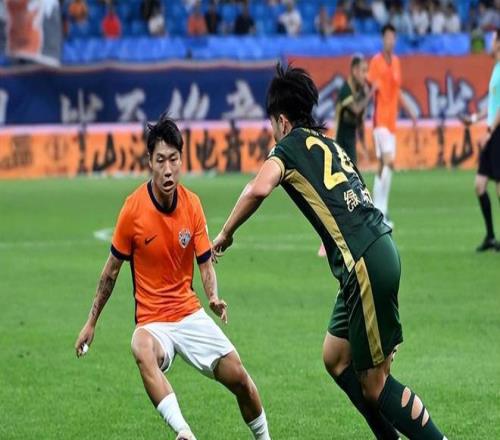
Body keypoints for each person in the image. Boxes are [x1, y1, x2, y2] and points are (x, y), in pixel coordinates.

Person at [213, 64, 447, 440]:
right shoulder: (332, 145)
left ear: (282, 121)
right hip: (377, 250)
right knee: (335, 357)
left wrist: (226, 233)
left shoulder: (287, 147)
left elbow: (258, 188)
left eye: (273, 123)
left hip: (362, 264)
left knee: (375, 383)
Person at [75, 115, 271, 440]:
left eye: (174, 159)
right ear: (149, 162)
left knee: (241, 380)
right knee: (140, 346)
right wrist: (91, 322)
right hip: (153, 322)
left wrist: (213, 297)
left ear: (182, 159)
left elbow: (205, 264)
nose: (168, 169)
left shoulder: (192, 205)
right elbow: (110, 273)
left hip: (189, 314)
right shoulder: (132, 210)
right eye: (160, 160)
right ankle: (184, 432)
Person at [368, 24, 417, 227]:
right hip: (380, 120)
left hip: (392, 123)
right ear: (383, 39)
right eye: (388, 37)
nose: (390, 41)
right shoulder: (376, 62)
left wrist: (410, 111)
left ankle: (380, 210)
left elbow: (397, 91)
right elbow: (371, 88)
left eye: (393, 37)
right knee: (389, 162)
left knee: (384, 167)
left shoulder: (396, 62)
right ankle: (378, 210)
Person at [462, 29, 500, 251]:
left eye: (493, 40)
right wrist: (475, 118)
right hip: (491, 131)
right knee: (480, 185)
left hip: (497, 132)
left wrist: (490, 131)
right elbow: (494, 104)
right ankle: (491, 237)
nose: (490, 43)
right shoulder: (496, 68)